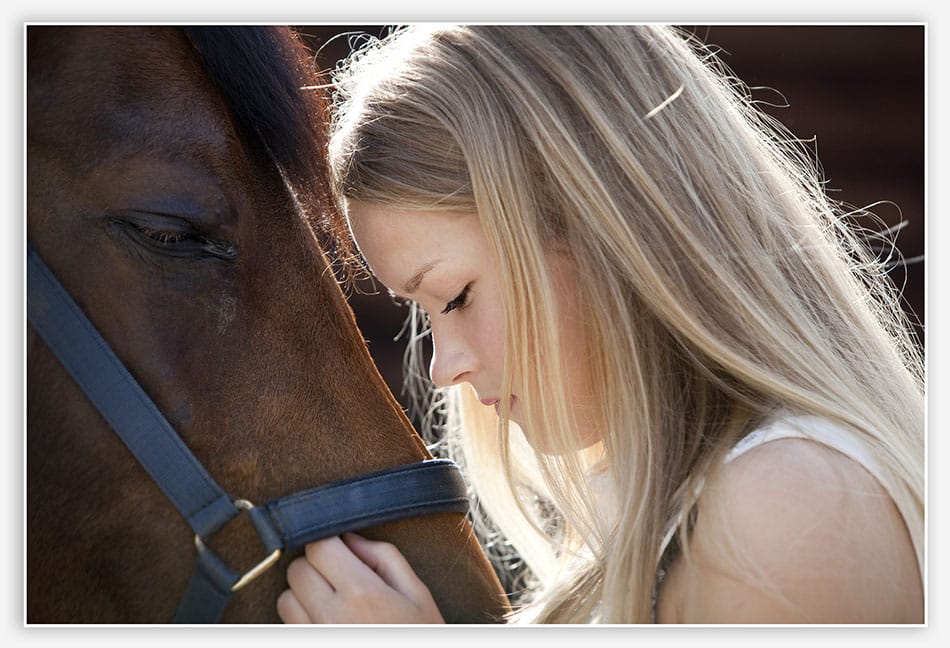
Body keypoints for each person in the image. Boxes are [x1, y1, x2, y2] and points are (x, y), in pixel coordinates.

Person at [276, 24, 924, 624]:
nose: (444, 368)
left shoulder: (789, 509)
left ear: (601, 227)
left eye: (454, 297)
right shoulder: (658, 526)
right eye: (423, 316)